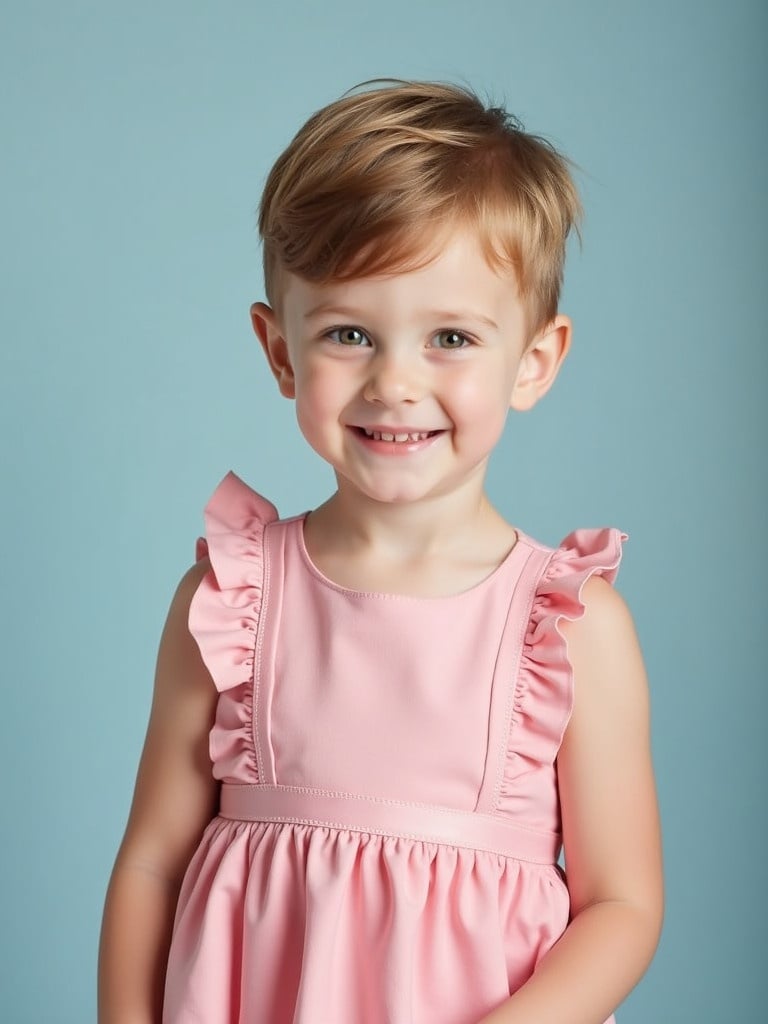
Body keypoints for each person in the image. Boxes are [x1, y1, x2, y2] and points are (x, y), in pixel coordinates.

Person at [98, 79, 663, 1024]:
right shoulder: (230, 599)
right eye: (349, 334)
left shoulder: (571, 628)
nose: (395, 382)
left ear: (535, 360)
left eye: (450, 337)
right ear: (281, 353)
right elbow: (153, 860)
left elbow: (623, 904)